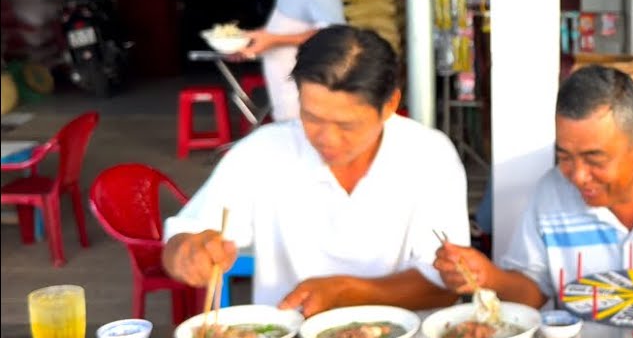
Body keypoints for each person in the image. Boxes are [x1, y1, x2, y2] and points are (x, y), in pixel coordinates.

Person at [163, 26, 470, 316]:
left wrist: (344, 291)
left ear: (390, 104)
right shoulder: (264, 152)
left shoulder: (428, 155)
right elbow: (182, 239)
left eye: (347, 125)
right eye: (311, 117)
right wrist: (188, 253)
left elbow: (444, 286)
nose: (327, 139)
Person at [434, 65, 633, 308]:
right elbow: (534, 291)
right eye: (564, 156)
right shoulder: (551, 194)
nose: (577, 176)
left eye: (595, 159)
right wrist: (488, 277)